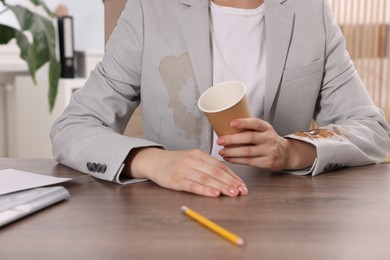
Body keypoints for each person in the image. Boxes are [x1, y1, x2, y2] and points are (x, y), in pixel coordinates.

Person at [50, 0, 390, 198]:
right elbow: (73, 127)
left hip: (280, 213)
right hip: (172, 211)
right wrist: (153, 161)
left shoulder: (310, 12)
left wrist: (291, 151)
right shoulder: (149, 9)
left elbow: (372, 129)